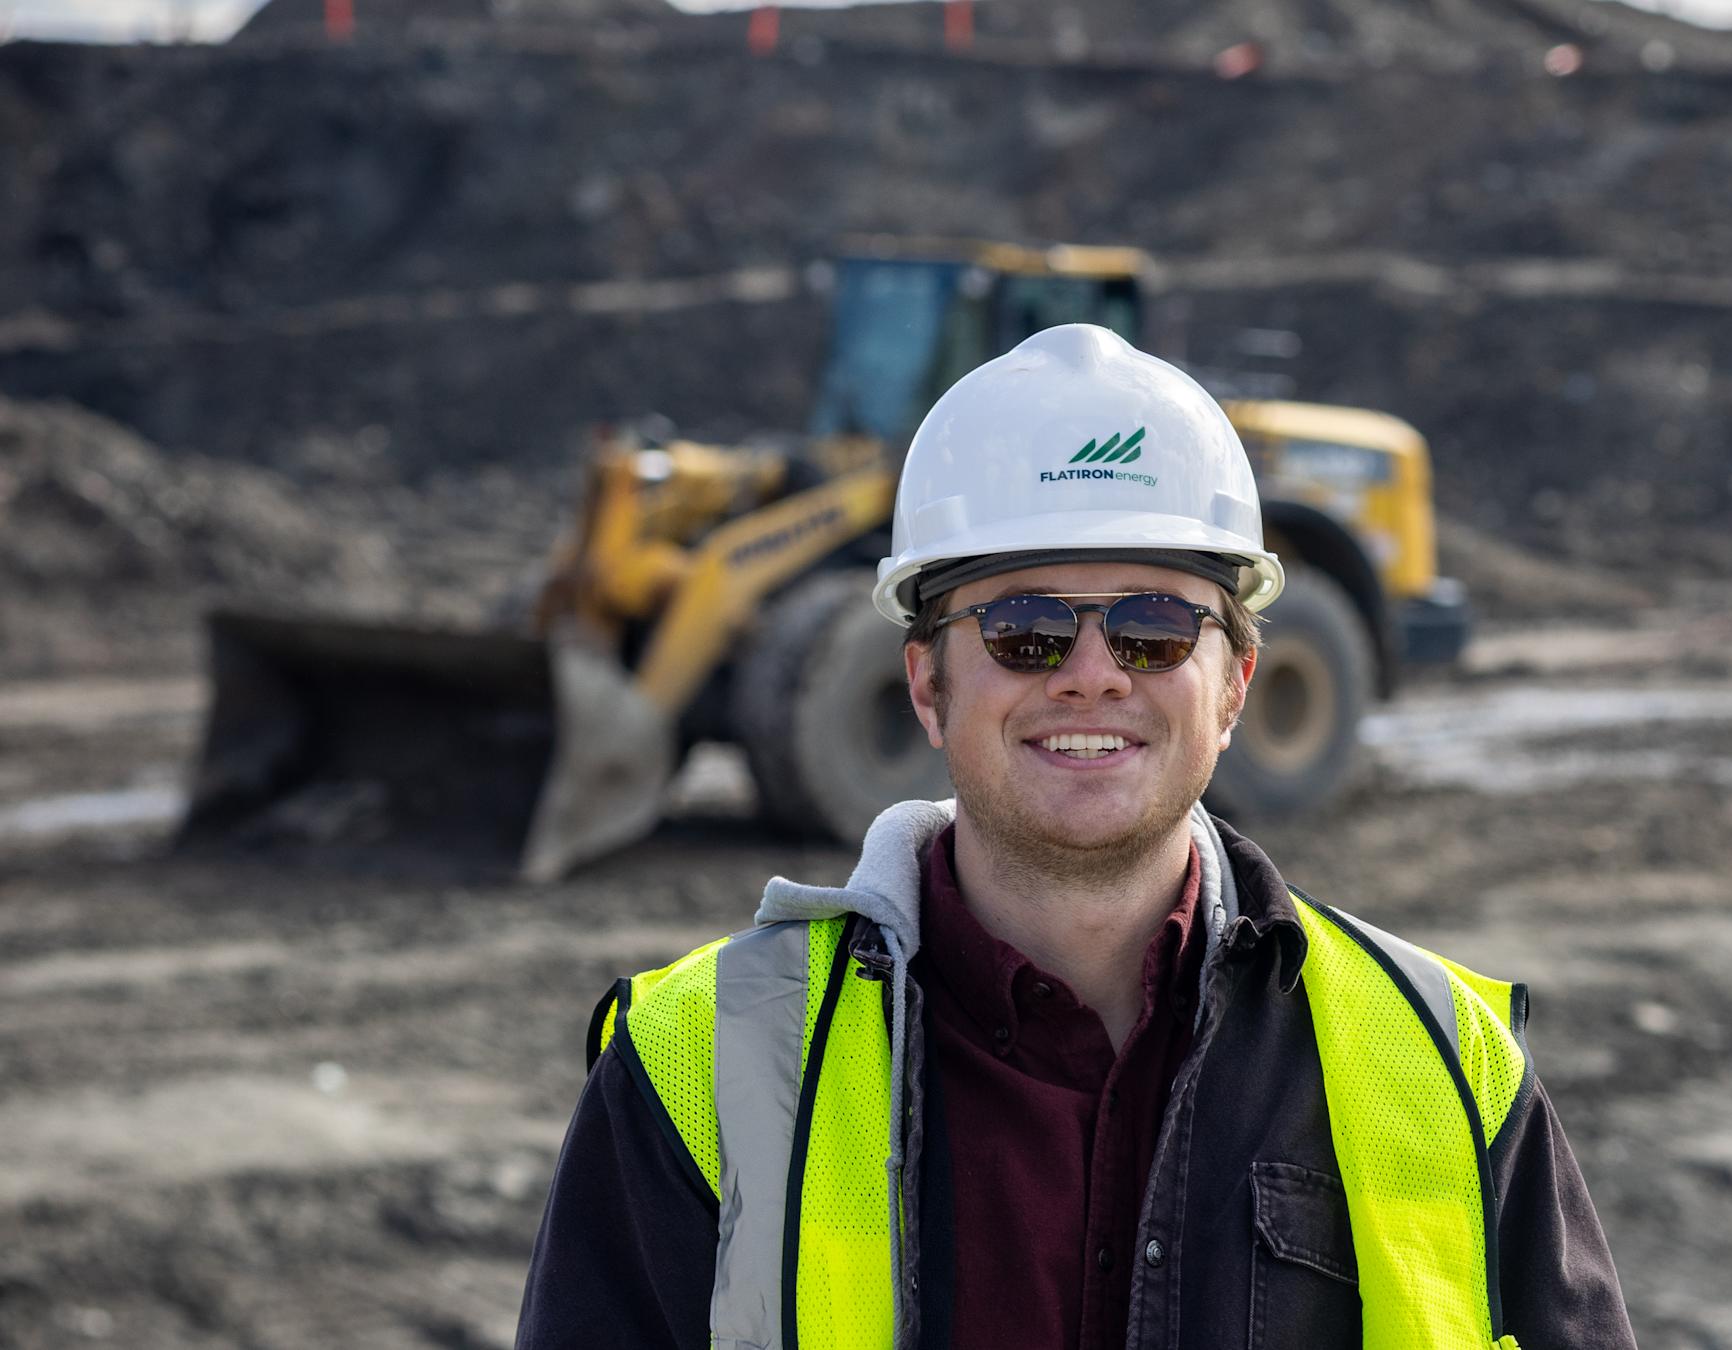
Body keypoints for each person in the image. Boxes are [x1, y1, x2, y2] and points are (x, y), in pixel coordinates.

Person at [516, 324, 1639, 1350]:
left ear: (1237, 681)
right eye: (1025, 631)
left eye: (1154, 629)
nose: (1094, 674)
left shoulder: (1444, 1062)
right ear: (925, 682)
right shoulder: (696, 1067)